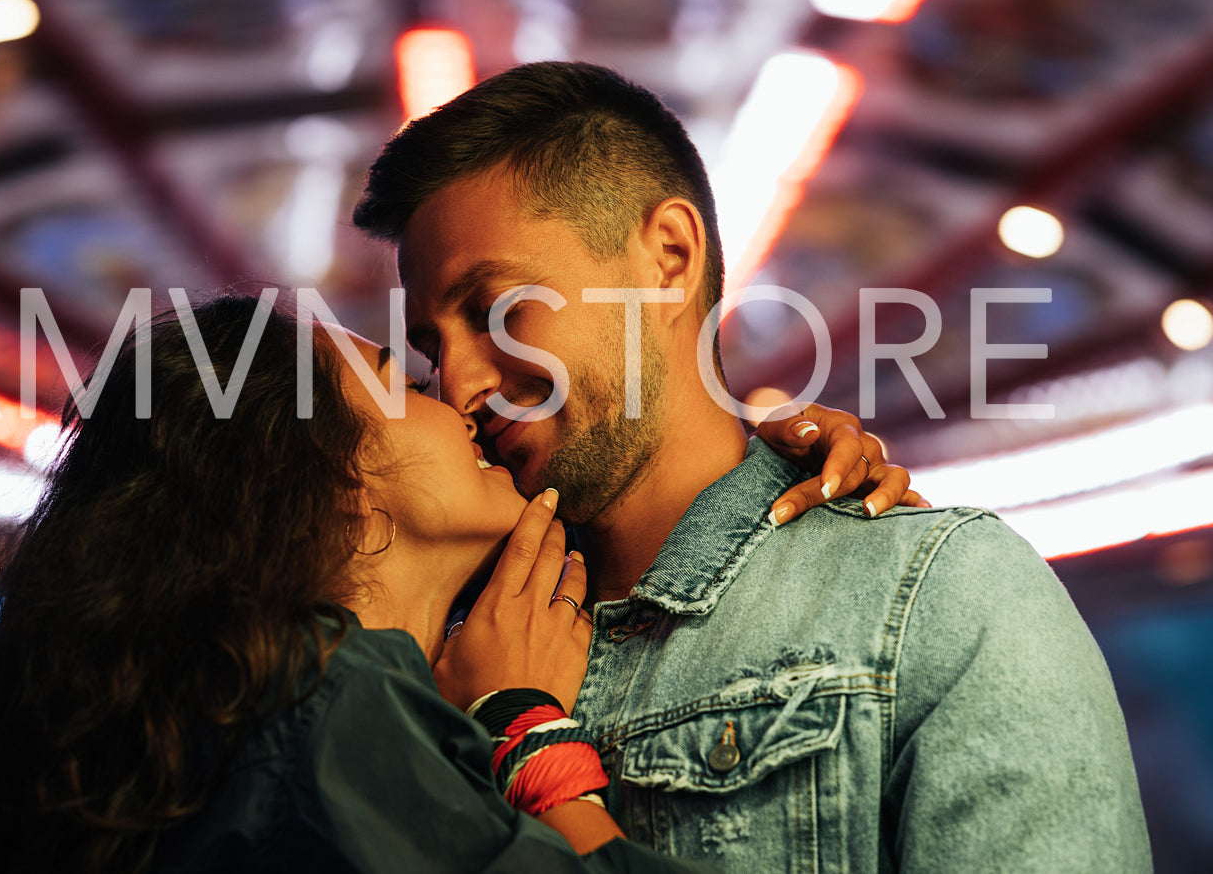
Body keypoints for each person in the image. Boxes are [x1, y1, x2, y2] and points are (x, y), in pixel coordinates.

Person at [353, 60, 1153, 872]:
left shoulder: (932, 592)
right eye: (431, 347)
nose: (457, 384)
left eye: (498, 312)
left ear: (667, 255)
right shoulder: (435, 651)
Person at [0, 292, 906, 874]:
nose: (458, 394)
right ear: (322, 477)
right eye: (402, 381)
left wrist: (746, 464)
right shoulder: (321, 705)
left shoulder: (250, 706)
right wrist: (529, 730)